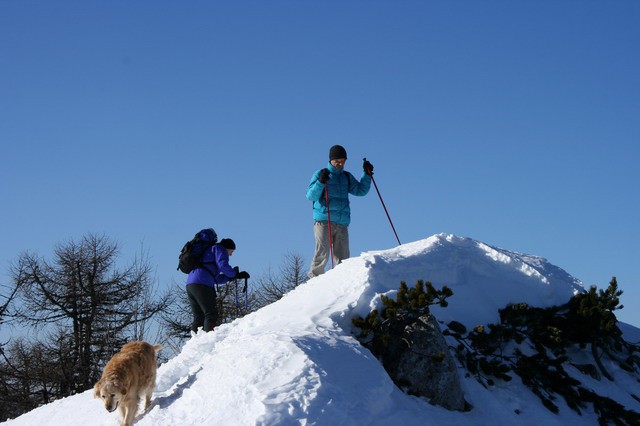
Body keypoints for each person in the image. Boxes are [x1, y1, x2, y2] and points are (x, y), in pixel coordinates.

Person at [306, 145, 374, 278]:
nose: (340, 163)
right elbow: (310, 196)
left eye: (343, 160)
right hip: (324, 220)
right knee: (322, 252)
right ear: (331, 159)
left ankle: (342, 281)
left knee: (343, 256)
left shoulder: (346, 177)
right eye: (337, 160)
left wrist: (366, 174)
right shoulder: (320, 174)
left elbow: (361, 191)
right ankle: (314, 281)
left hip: (342, 223)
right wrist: (321, 182)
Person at [185, 237, 250, 333]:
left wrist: (231, 277)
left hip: (191, 284)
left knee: (198, 316)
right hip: (202, 284)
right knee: (211, 313)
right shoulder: (219, 248)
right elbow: (223, 265)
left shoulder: (208, 253)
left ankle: (194, 343)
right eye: (231, 251)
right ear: (227, 248)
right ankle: (209, 339)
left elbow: (216, 278)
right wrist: (235, 274)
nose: (231, 254)